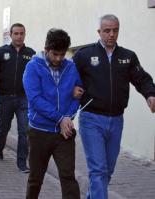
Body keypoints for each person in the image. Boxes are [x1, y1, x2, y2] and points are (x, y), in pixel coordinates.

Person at [73, 14, 155, 199]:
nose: (111, 34)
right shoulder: (84, 55)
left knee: (107, 170)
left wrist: (150, 94)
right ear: (99, 32)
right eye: (107, 30)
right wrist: (72, 92)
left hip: (116, 120)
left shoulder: (127, 56)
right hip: (91, 119)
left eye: (115, 30)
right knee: (98, 170)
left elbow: (142, 79)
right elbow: (68, 79)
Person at [23, 28, 81, 199]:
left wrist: (68, 117)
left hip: (64, 133)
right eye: (55, 54)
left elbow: (78, 93)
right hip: (39, 132)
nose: (59, 59)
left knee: (68, 176)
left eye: (62, 54)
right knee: (36, 178)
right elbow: (35, 99)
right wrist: (60, 118)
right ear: (46, 49)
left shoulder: (71, 67)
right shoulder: (33, 66)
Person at [0, 23, 35, 173]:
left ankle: (22, 162)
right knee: (4, 128)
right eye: (16, 33)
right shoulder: (0, 52)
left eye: (21, 33)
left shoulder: (31, 54)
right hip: (5, 97)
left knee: (24, 131)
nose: (19, 36)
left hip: (24, 99)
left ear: (25, 34)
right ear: (10, 35)